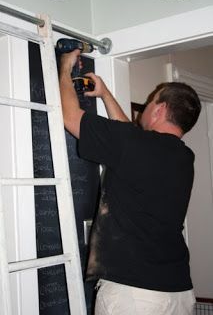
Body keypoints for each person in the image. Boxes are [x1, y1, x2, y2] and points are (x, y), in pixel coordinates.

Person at [59, 49, 201, 315]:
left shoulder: (135, 145)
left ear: (159, 109)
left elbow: (70, 117)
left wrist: (64, 68)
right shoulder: (183, 157)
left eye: (149, 103)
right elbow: (129, 140)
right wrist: (104, 94)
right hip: (178, 292)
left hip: (136, 296)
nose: (145, 108)